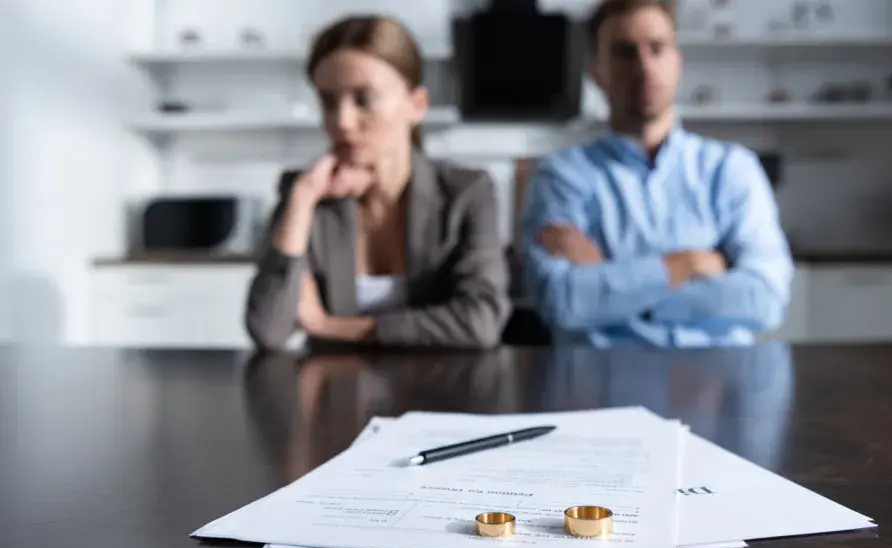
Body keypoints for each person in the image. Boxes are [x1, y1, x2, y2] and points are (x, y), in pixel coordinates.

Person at [520, 0, 794, 348]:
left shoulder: (730, 169)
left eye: (657, 48)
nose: (644, 67)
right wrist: (685, 265)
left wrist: (613, 282)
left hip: (716, 386)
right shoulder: (560, 177)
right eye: (624, 52)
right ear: (596, 73)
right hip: (602, 386)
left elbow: (765, 299)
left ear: (677, 61)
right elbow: (562, 302)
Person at [245, 15, 510, 351]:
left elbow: (481, 323)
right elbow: (268, 330)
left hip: (438, 392)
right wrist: (303, 199)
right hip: (336, 396)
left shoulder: (466, 192)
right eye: (328, 102)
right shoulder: (306, 194)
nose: (342, 122)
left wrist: (329, 326)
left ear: (416, 105)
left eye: (364, 99)